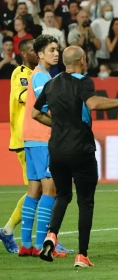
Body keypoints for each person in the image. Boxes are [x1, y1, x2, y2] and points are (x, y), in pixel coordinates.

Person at [32, 45, 118, 267]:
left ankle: (51, 235)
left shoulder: (51, 83)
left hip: (57, 150)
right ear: (82, 60)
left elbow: (35, 113)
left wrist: (60, 125)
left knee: (62, 195)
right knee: (85, 202)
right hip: (81, 149)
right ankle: (82, 255)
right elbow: (93, 103)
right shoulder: (83, 81)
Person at [19, 35, 69, 258]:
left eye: (57, 49)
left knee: (34, 190)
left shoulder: (42, 75)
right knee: (51, 190)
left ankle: (26, 244)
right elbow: (45, 104)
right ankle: (43, 244)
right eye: (51, 50)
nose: (56, 53)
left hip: (31, 138)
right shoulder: (41, 77)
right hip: (42, 138)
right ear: (39, 54)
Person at [0, 38, 37, 254]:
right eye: (33, 50)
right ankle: (10, 230)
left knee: (44, 188)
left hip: (39, 139)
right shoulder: (20, 73)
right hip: (25, 140)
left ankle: (8, 230)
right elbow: (25, 97)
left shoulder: (39, 74)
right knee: (39, 188)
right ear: (23, 53)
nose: (37, 53)